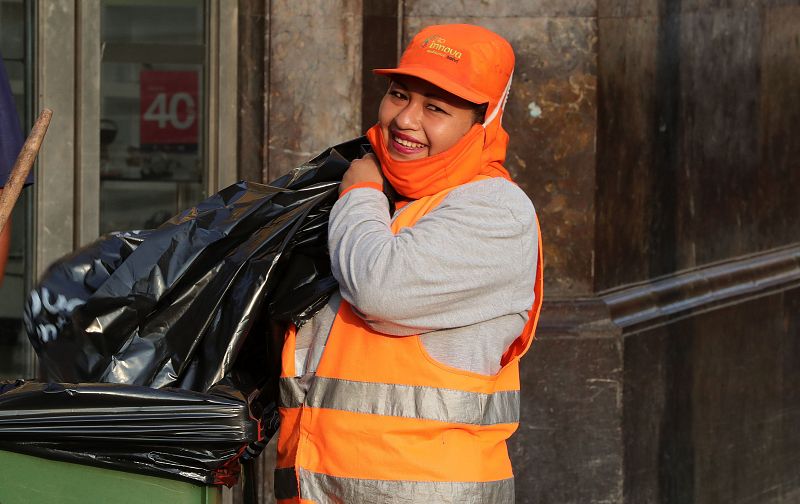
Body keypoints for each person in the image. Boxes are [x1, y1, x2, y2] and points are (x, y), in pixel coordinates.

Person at [274, 24, 543, 503]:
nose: (405, 120)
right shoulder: (387, 193)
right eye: (399, 95)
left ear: (484, 120)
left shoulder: (494, 210)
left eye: (436, 108)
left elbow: (381, 289)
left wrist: (359, 193)